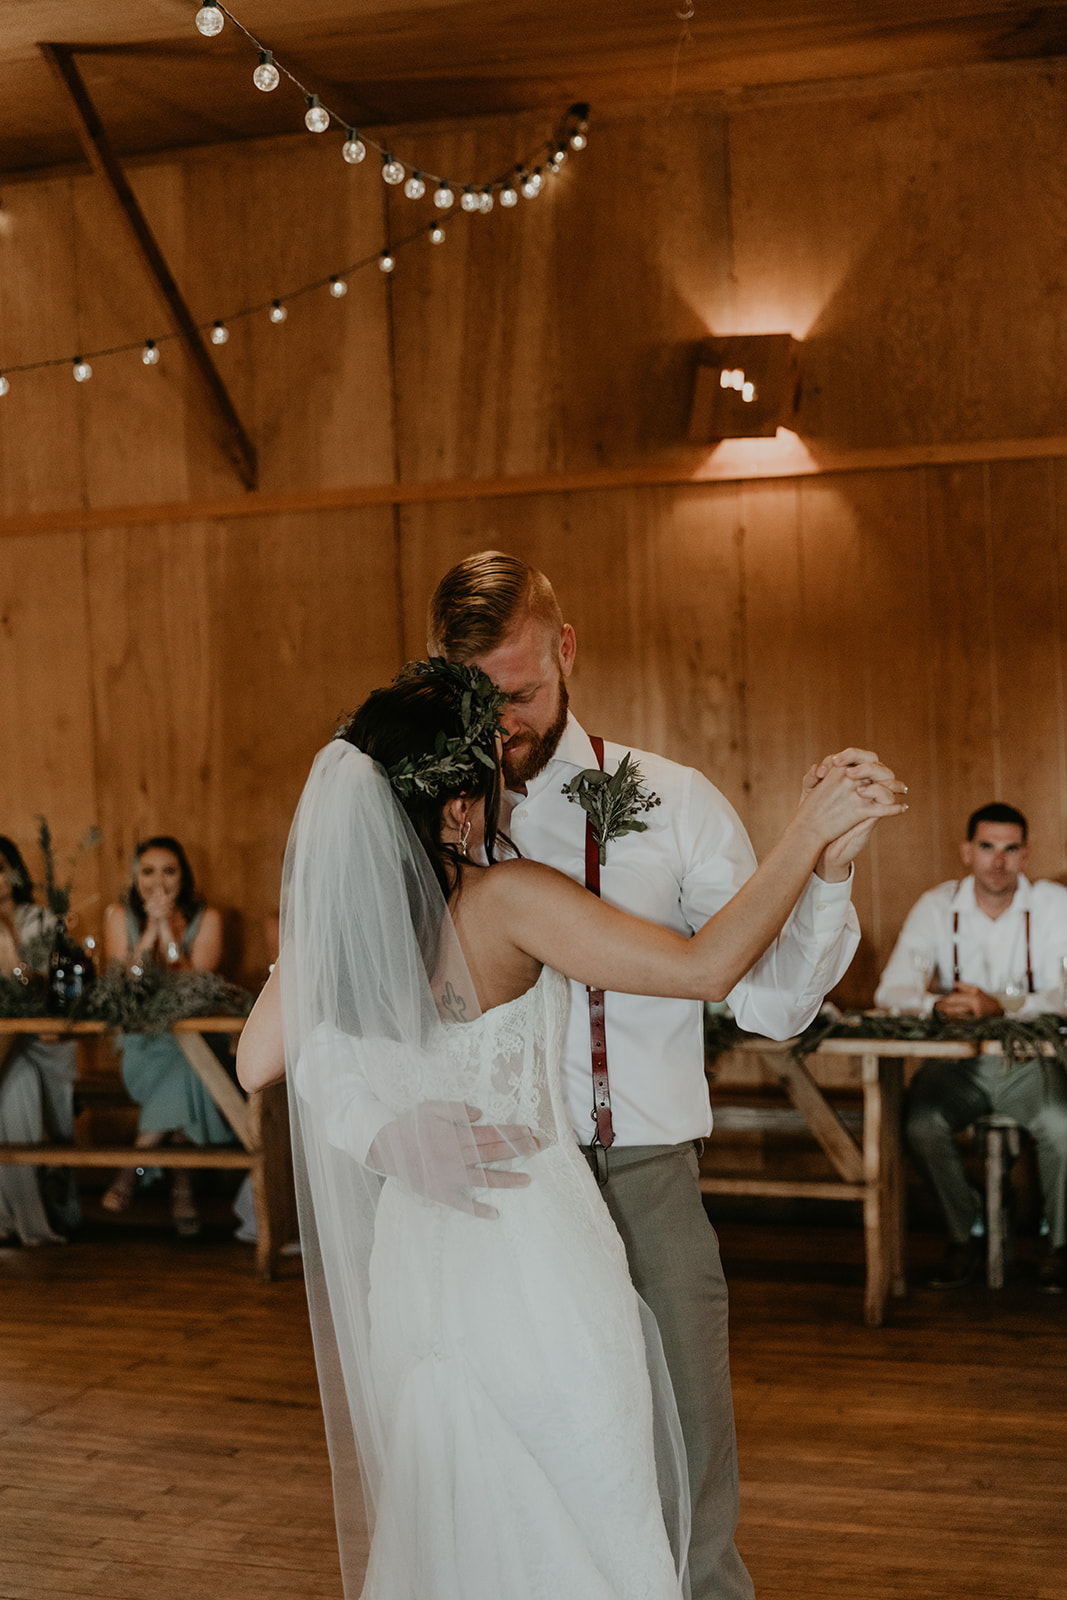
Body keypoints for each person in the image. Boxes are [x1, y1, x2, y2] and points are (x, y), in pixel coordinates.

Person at [237, 658, 905, 1598]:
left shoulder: (340, 930)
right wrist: (808, 832)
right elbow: (709, 967)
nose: (508, 791)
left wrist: (381, 1134)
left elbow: (257, 1059)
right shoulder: (508, 900)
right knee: (586, 1509)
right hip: (531, 1253)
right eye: (492, 779)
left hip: (417, 1264)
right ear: (457, 809)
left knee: (455, 1516)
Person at [425, 552, 899, 1600]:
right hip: (499, 1195)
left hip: (645, 1174)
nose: (503, 721)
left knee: (688, 1454)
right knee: (524, 1461)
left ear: (567, 649)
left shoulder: (673, 801)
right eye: (478, 697)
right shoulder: (419, 816)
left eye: (523, 692)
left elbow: (771, 1006)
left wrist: (819, 875)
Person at [876, 801, 1067, 1293]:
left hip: (1028, 1063)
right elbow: (891, 991)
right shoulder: (937, 905)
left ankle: (1059, 1242)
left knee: (1062, 1127)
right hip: (955, 1065)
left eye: (1010, 849)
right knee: (919, 1125)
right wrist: (935, 1007)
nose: (998, 861)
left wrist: (1001, 1007)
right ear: (968, 851)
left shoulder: (1052, 905)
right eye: (987, 847)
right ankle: (968, 1230)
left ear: (1025, 855)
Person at [100, 836, 227, 1236]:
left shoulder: (209, 919)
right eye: (148, 871)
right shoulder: (119, 915)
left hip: (194, 1037)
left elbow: (194, 983)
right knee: (190, 1072)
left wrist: (171, 935)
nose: (158, 880)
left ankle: (130, 1173)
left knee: (189, 1065)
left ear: (183, 876)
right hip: (142, 1043)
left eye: (169, 871)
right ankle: (182, 1191)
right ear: (136, 877)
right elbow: (123, 982)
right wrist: (151, 931)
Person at [0, 836, 80, 1245]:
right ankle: (15, 1214)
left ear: (14, 872)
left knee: (37, 1094)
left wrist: (8, 939)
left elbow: (46, 985)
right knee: (16, 1083)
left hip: (44, 1036)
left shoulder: (41, 919)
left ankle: (52, 1210)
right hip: (6, 1042)